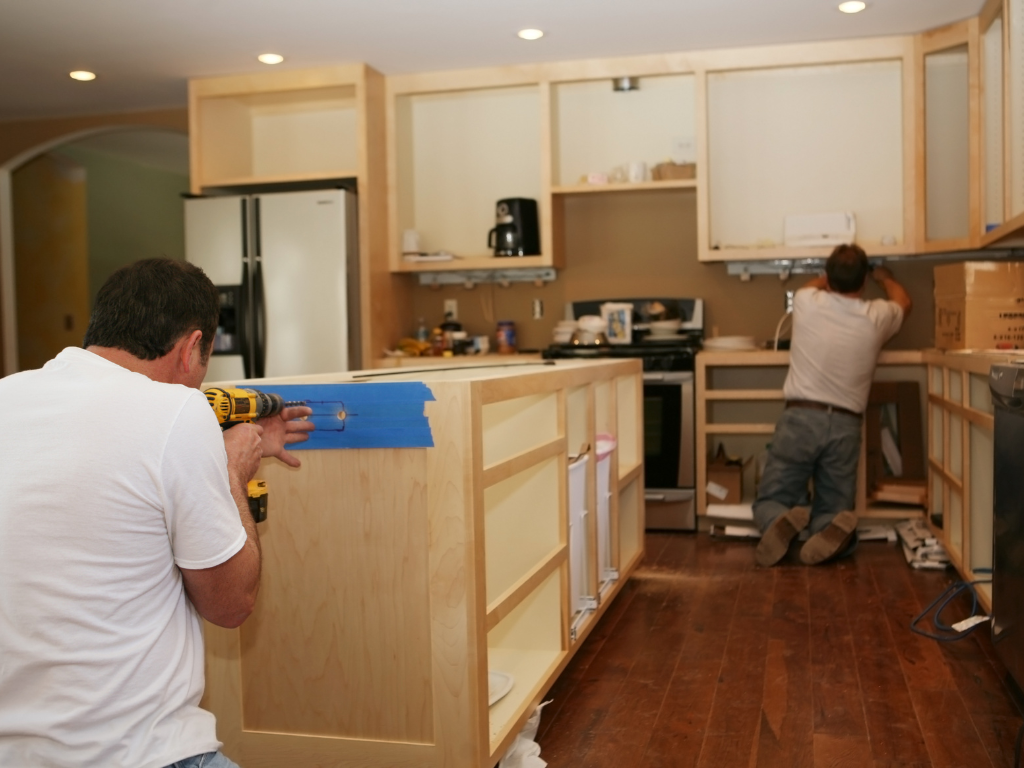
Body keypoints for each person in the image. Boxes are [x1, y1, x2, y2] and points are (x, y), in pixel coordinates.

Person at [0, 259, 314, 768]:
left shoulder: (7, 395)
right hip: (136, 753)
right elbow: (231, 604)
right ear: (193, 348)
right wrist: (231, 473)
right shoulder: (177, 411)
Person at [753, 244, 912, 567]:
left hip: (800, 416)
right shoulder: (876, 316)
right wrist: (884, 275)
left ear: (827, 277)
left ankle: (776, 522)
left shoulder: (806, 301)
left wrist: (823, 278)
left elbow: (807, 287)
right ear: (863, 283)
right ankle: (828, 529)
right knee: (835, 505)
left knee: (773, 496)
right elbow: (905, 302)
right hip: (845, 423)